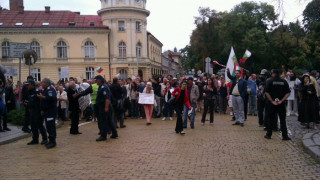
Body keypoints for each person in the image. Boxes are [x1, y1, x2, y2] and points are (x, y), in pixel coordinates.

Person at [264, 69, 291, 141]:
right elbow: (288, 93)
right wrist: (282, 100)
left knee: (270, 119)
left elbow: (266, 92)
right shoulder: (284, 81)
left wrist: (272, 101)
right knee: (282, 119)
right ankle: (285, 136)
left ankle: (268, 134)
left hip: (272, 104)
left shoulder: (269, 81)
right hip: (281, 104)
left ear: (273, 74)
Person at [94, 75, 118, 141]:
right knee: (110, 121)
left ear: (100, 80)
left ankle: (103, 136)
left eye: (96, 80)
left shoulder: (104, 87)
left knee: (103, 121)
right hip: (104, 106)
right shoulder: (101, 87)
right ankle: (114, 133)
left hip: (104, 107)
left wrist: (106, 107)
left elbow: (107, 98)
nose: (96, 81)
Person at [25, 80, 48, 145]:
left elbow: (41, 101)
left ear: (32, 85)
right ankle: (35, 139)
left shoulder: (37, 91)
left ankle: (45, 139)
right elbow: (30, 101)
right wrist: (27, 103)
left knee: (40, 125)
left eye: (28, 85)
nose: (27, 86)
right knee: (33, 126)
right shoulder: (29, 91)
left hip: (38, 111)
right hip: (32, 110)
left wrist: (42, 110)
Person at [37, 78, 58, 149]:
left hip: (51, 111)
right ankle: (50, 140)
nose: (41, 84)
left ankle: (53, 141)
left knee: (51, 126)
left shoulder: (50, 89)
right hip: (47, 111)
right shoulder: (45, 90)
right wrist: (42, 109)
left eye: (42, 83)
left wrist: (42, 97)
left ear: (46, 83)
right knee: (48, 126)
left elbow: (52, 98)